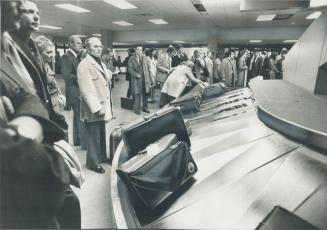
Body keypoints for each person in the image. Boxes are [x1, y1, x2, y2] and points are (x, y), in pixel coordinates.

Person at [0, 1, 72, 228]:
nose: (19, 8)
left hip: (40, 130)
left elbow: (28, 96)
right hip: (20, 175)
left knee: (70, 206)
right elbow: (48, 177)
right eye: (24, 9)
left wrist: (30, 122)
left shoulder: (20, 46)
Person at [6, 0, 68, 131]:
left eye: (37, 13)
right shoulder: (7, 44)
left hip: (42, 113)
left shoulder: (31, 45)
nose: (36, 16)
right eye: (29, 12)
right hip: (21, 120)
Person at [77, 37, 113, 173]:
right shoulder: (84, 64)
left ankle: (101, 157)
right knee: (93, 135)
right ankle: (92, 163)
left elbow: (104, 78)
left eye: (100, 46)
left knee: (101, 133)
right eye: (96, 46)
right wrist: (97, 108)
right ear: (88, 48)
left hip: (102, 104)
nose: (99, 49)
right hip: (94, 107)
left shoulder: (99, 62)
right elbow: (86, 90)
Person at [61, 35, 87, 149]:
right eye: (78, 43)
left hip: (76, 89)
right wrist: (81, 77)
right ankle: (85, 143)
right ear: (71, 44)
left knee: (77, 116)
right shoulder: (66, 57)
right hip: (74, 90)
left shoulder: (76, 56)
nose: (81, 45)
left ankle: (77, 140)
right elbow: (66, 75)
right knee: (80, 116)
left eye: (81, 43)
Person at [35, 35, 66, 112]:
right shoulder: (36, 68)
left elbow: (53, 82)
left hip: (55, 103)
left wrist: (60, 95)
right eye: (48, 52)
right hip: (46, 107)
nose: (52, 55)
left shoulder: (46, 64)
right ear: (38, 53)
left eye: (53, 52)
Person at [128, 46, 153, 115]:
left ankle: (145, 108)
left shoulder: (144, 57)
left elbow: (148, 68)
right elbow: (130, 69)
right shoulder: (131, 58)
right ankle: (137, 110)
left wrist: (150, 79)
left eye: (141, 50)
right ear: (136, 50)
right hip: (137, 79)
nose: (139, 51)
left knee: (146, 94)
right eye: (138, 50)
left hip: (145, 78)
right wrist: (136, 75)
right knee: (137, 94)